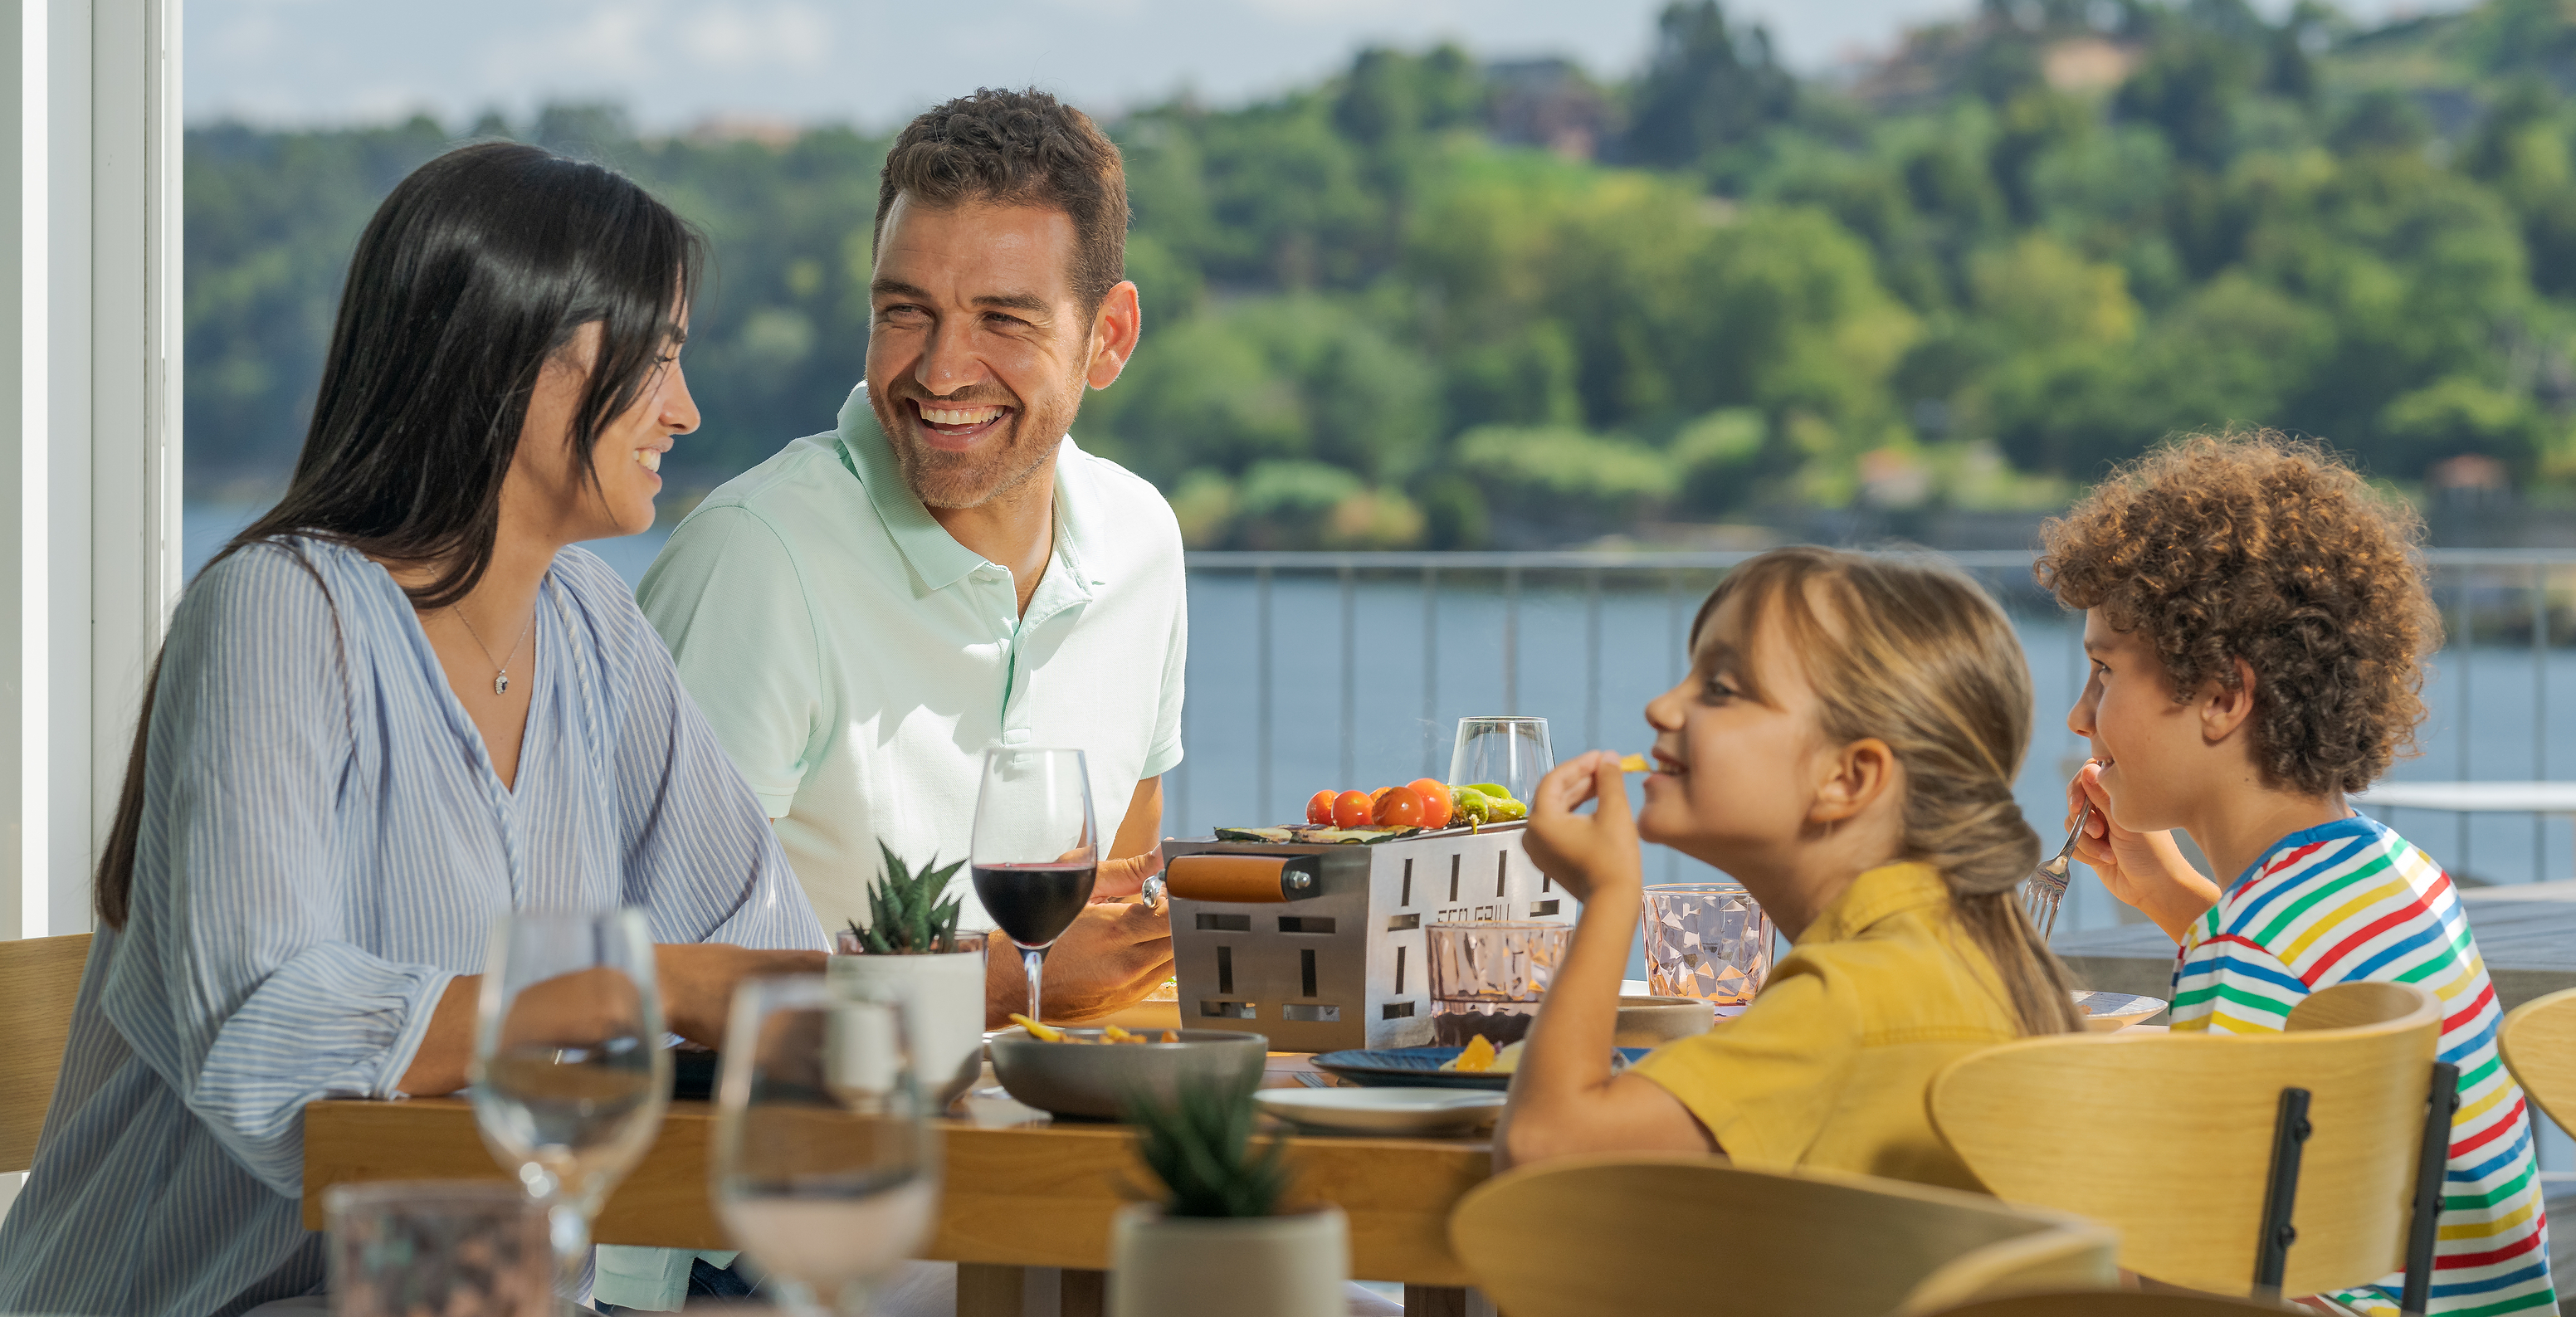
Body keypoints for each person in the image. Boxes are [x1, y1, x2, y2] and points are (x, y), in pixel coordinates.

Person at [0, 142, 829, 1317]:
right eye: (655, 356)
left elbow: (764, 962)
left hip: (467, 1288)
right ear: (516, 354)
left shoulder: (594, 626)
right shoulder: (281, 611)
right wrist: (631, 988)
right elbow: (269, 1034)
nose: (683, 409)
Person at [637, 87, 1174, 1032]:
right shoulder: (755, 557)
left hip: (1041, 1132)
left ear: (1109, 337)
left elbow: (1116, 922)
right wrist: (1004, 988)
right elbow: (654, 979)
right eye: (905, 311)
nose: (939, 370)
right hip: (795, 1150)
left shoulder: (1141, 540)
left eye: (1003, 319)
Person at [2042, 432, 2554, 1316]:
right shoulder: (2395, 874)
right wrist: (2167, 897)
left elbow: (2200, 1269)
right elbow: (2308, 1002)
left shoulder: (2244, 950)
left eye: (2101, 672)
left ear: (2220, 697)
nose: (2078, 715)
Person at [1494, 545, 2081, 1185]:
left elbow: (1543, 1151)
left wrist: (1608, 893)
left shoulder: (1851, 997)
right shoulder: (1952, 957)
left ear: (1847, 777)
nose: (1661, 707)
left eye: (1719, 688)